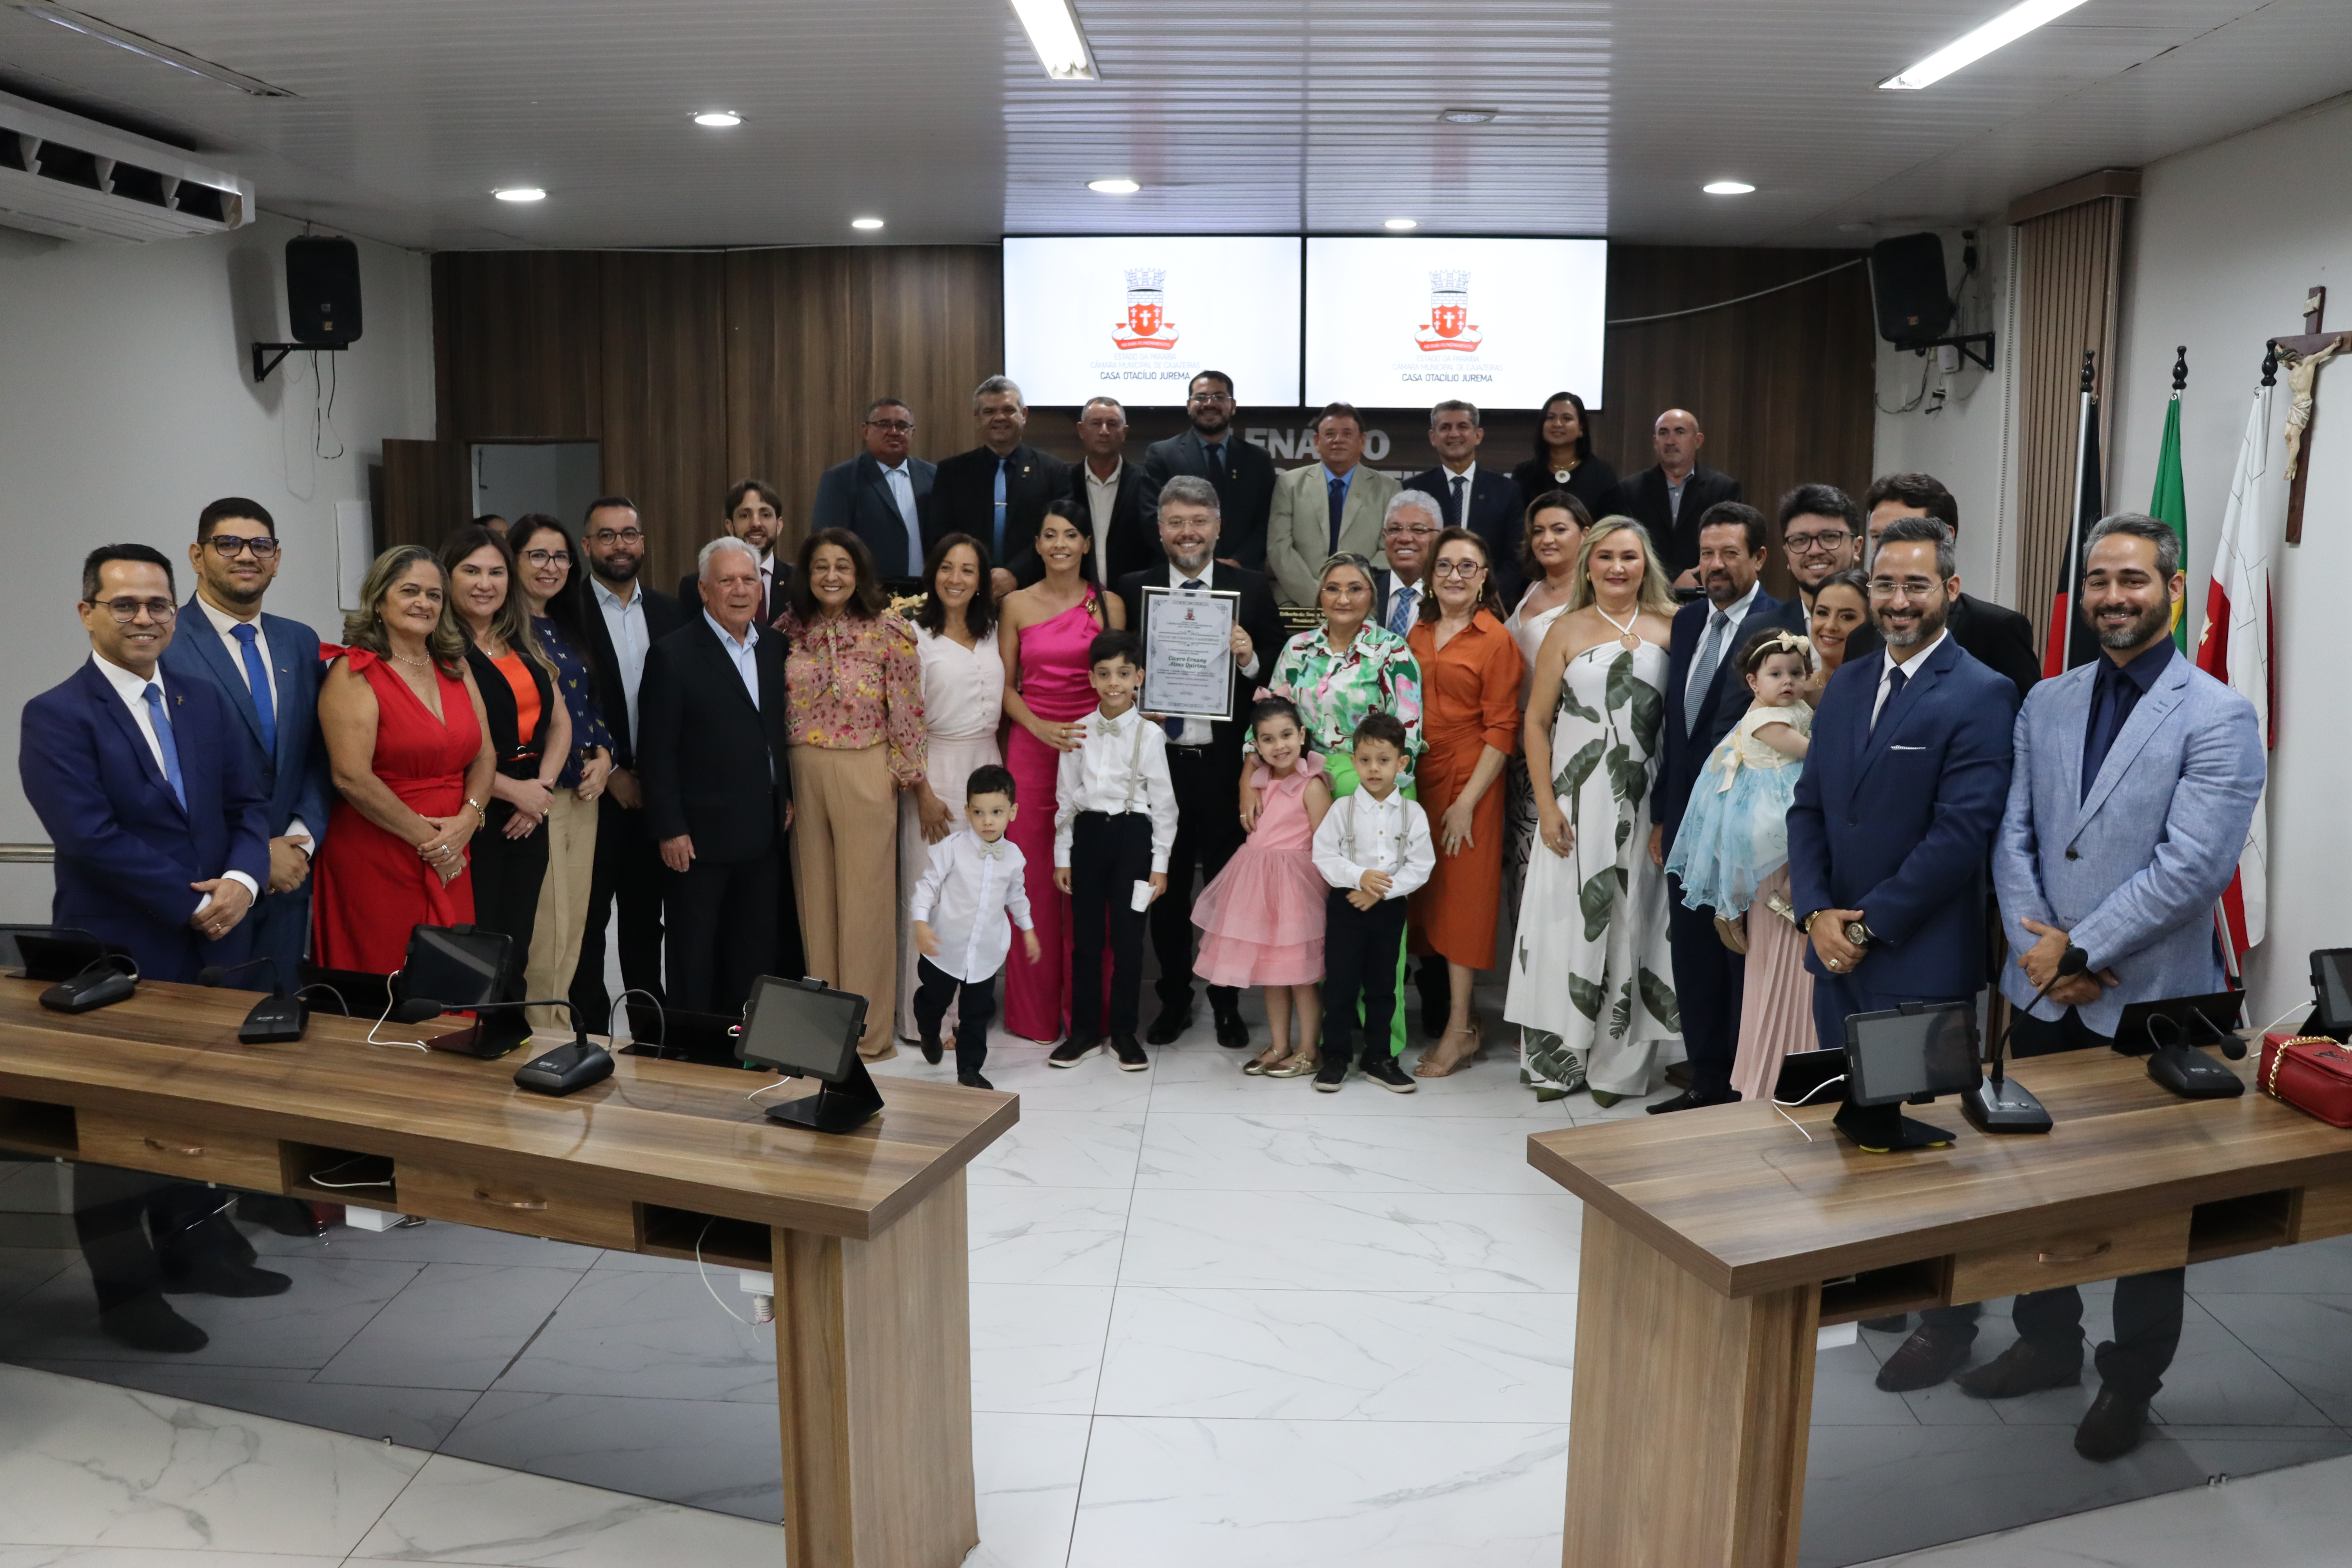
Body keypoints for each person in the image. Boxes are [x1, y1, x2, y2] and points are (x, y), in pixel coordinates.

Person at [1881, 514, 2261, 1462]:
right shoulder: (2045, 699)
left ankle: (2130, 1382)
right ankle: (2048, 1343)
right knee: (2032, 1182)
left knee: (2144, 1204)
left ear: (2170, 589)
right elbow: (2012, 834)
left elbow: (2193, 868)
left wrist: (2082, 942)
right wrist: (2040, 947)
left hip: (2153, 1001)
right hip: (2046, 993)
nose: (2112, 597)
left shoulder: (2218, 713)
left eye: (2132, 579)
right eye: (2097, 581)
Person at [22, 544, 283, 1353]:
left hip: (213, 946)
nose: (145, 618)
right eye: (126, 603)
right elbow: (88, 836)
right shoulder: (56, 714)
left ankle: (195, 1249)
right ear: (88, 612)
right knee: (114, 1133)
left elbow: (249, 801)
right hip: (120, 953)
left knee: (193, 1113)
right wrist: (188, 901)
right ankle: (125, 1293)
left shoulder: (203, 701)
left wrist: (241, 879)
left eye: (158, 604)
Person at [1787, 512, 2018, 1054]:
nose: (1897, 601)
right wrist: (1817, 914)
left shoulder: (1984, 692)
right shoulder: (1845, 681)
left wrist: (1864, 930)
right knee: (1846, 1125)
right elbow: (1809, 810)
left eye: (1916, 585)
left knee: (1920, 1133)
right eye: (1884, 584)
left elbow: (1960, 834)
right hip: (1833, 960)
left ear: (1951, 589)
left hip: (1921, 962)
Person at [1506, 519, 1681, 1105]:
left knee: (1635, 924)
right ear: (1588, 564)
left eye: (1629, 556)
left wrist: (1668, 813)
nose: (1616, 568)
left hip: (1645, 801)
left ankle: (1618, 1070)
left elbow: (1683, 727)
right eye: (1605, 556)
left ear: (1644, 563)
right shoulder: (1564, 630)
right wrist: (1548, 805)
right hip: (1577, 800)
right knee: (1568, 926)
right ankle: (1558, 1062)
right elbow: (1535, 722)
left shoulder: (1674, 626)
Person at [1113, 475, 1285, 1049]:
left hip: (1225, 771)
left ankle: (1227, 1001)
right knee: (1163, 889)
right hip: (1158, 768)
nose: (1188, 532)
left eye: (1199, 521)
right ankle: (1175, 1000)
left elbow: (1278, 676)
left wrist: (1249, 657)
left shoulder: (1253, 589)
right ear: (1161, 531)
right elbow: (1115, 676)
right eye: (1177, 523)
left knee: (1227, 888)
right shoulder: (1133, 590)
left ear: (1218, 527)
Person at [1648, 502, 1804, 1111]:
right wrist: (1667, 813)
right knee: (1692, 952)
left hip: (1752, 829)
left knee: (1741, 954)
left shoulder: (1781, 624)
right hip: (1691, 822)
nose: (1715, 565)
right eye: (1707, 553)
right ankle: (1707, 1080)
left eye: (1729, 554)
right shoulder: (1686, 623)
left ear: (1760, 558)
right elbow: (1675, 732)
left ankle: (1744, 1087)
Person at [158, 497, 327, 992]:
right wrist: (255, 856)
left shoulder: (300, 640)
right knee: (205, 1042)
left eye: (260, 545)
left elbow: (318, 754)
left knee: (281, 1034)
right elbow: (166, 768)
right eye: (228, 543)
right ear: (196, 555)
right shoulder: (166, 640)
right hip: (210, 883)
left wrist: (301, 839)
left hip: (291, 880)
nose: (246, 555)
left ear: (277, 558)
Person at [1264, 552, 1424, 1060]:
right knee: (1322, 914)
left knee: (1378, 913)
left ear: (1371, 596)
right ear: (1320, 596)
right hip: (1308, 786)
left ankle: (1382, 1041)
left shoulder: (1392, 649)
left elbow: (1411, 731)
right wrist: (1253, 771)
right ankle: (1331, 1039)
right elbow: (1272, 714)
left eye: (1355, 588)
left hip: (1376, 783)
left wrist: (1376, 787)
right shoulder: (1297, 648)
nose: (1344, 598)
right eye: (1333, 588)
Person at [775, 527, 924, 1058]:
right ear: (806, 575)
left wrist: (908, 777)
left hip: (867, 767)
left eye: (842, 566)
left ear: (859, 574)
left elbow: (908, 711)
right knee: (815, 902)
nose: (831, 576)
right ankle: (825, 1031)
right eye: (820, 567)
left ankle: (867, 1034)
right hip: (802, 771)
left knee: (865, 905)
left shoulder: (890, 630)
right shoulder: (788, 629)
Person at [313, 547, 494, 973]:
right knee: (387, 981)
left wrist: (469, 820)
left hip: (453, 848)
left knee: (450, 979)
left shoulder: (455, 665)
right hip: (380, 851)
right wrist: (435, 844)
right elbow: (351, 777)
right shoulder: (353, 672)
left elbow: (485, 753)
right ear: (379, 600)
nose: (424, 603)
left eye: (434, 595)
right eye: (409, 591)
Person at [1661, 630, 1819, 1103]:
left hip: (1779, 810)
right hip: (1769, 820)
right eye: (1776, 674)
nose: (1788, 682)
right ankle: (1730, 908)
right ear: (1754, 682)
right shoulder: (1767, 719)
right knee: (1772, 900)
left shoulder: (1790, 708)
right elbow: (1812, 753)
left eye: (1796, 673)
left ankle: (1733, 909)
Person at [639, 537, 794, 1018]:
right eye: (727, 580)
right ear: (705, 590)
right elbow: (656, 751)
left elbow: (774, 730)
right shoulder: (673, 655)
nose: (740, 590)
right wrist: (670, 827)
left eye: (749, 579)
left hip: (761, 831)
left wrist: (784, 796)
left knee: (753, 951)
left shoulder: (774, 647)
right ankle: (693, 1052)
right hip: (697, 839)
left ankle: (744, 1049)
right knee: (694, 955)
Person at [999, 501, 1125, 1042]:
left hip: (1094, 752)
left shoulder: (1109, 604)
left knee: (1089, 884)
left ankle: (1090, 1015)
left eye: (1070, 535)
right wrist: (1038, 726)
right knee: (1033, 884)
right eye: (1049, 535)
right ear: (1037, 544)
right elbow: (1004, 685)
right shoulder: (1016, 605)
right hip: (1031, 748)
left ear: (1087, 545)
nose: (1060, 545)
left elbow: (1122, 679)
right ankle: (1034, 1018)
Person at [1405, 528, 1524, 1077]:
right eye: (1445, 565)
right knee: (1428, 899)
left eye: (1467, 566)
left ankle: (1458, 1032)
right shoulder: (1418, 630)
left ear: (1483, 579)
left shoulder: (1496, 639)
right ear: (1431, 577)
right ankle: (1466, 1015)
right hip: (1419, 779)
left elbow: (1503, 729)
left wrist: (1466, 803)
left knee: (1463, 904)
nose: (1455, 575)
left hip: (1472, 781)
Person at [571, 496, 689, 1033]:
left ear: (643, 542)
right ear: (588, 545)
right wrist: (611, 768)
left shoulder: (673, 612)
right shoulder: (564, 613)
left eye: (629, 534)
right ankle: (589, 1033)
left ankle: (650, 1034)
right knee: (590, 923)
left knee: (647, 925)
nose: (620, 545)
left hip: (659, 796)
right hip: (593, 793)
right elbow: (564, 705)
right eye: (608, 535)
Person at [441, 525, 568, 1002]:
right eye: (471, 571)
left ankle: (507, 1037)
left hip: (532, 807)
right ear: (447, 577)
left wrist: (542, 789)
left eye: (496, 572)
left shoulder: (518, 639)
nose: (485, 583)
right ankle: (473, 1040)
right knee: (479, 943)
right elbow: (453, 748)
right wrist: (517, 794)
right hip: (476, 806)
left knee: (518, 943)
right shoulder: (441, 647)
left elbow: (560, 723)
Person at [896, 534, 1007, 1043]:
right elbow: (904, 720)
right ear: (932, 574)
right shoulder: (914, 634)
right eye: (947, 568)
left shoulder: (992, 631)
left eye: (968, 569)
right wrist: (922, 792)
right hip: (935, 771)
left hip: (986, 766)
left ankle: (968, 1011)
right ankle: (927, 1017)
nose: (956, 579)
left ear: (981, 580)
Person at [1048, 629, 1175, 1070]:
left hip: (1133, 838)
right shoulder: (1078, 731)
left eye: (1123, 673)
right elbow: (1065, 798)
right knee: (1085, 941)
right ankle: (1083, 1031)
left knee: (1127, 941)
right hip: (1088, 838)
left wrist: (1160, 865)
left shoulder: (1151, 736)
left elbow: (1164, 807)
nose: (1114, 683)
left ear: (1139, 676)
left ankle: (1124, 1032)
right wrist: (1063, 855)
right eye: (1104, 674)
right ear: (1091, 679)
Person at [508, 515, 615, 1032]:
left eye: (560, 557)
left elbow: (590, 707)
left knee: (575, 923)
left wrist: (605, 758)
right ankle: (540, 1035)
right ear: (513, 560)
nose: (551, 567)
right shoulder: (503, 631)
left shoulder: (568, 624)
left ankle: (557, 1026)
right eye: (537, 556)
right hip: (533, 795)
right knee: (546, 927)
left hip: (583, 793)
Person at [1195, 696, 1332, 1077]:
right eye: (1268, 739)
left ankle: (1309, 1050)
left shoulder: (1313, 784)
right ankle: (1279, 1044)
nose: (1280, 746)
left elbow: (1325, 844)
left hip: (1295, 888)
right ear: (1255, 744)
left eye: (1287, 735)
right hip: (1256, 885)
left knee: (1301, 976)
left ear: (1302, 735)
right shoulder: (1256, 780)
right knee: (1272, 971)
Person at [1311, 711, 1432, 1095]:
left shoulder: (1412, 814)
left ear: (1402, 763)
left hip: (1390, 910)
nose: (1374, 769)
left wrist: (1379, 890)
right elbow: (1324, 856)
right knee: (1342, 986)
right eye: (1365, 760)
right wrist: (1358, 877)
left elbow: (1421, 865)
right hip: (1345, 907)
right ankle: (1336, 1057)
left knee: (1384, 987)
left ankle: (1380, 1058)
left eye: (1383, 761)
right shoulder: (1340, 808)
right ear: (1353, 761)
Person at [1850, 472, 2039, 700]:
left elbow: (2023, 722)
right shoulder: (1860, 637)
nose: (1889, 547)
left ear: (1947, 537)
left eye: (1905, 532)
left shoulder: (1996, 629)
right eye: (1878, 537)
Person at [909, 762, 1041, 1090]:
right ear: (967, 812)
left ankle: (969, 1068)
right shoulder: (951, 849)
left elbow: (1017, 897)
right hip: (944, 948)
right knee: (934, 999)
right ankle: (928, 1028)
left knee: (977, 1013)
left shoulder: (1014, 857)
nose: (987, 821)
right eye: (979, 812)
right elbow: (926, 887)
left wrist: (1028, 930)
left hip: (985, 953)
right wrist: (921, 924)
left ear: (1012, 812)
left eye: (996, 811)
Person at [1501, 492, 1592, 935]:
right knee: (1521, 875)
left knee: (1556, 873)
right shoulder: (1533, 588)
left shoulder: (1592, 596)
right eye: (1538, 531)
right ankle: (1524, 994)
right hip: (1517, 753)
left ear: (1586, 534)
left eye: (1559, 529)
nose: (1547, 539)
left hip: (1562, 754)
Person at [933, 376, 1072, 598]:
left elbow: (1059, 536)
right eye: (989, 412)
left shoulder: (1054, 471)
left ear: (1024, 415)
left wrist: (1015, 573)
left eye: (1008, 410)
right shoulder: (952, 472)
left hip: (1036, 592)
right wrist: (976, 574)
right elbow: (940, 534)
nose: (999, 418)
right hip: (967, 591)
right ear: (977, 418)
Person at [1267, 403, 1401, 609]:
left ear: (1362, 441)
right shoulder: (1289, 484)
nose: (1338, 440)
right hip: (1297, 603)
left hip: (1363, 606)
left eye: (1347, 433)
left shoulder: (1389, 489)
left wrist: (1353, 593)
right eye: (1330, 434)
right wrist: (1317, 597)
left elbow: (1389, 551)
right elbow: (1279, 548)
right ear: (1317, 442)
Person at [1139, 369, 1278, 567]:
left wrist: (1238, 562)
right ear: (1189, 406)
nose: (1210, 404)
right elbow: (1152, 518)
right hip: (1180, 571)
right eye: (1201, 397)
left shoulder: (1258, 459)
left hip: (1241, 574)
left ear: (1233, 406)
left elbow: (1268, 523)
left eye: (1219, 397)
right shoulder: (1162, 454)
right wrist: (1193, 561)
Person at [1405, 400, 1526, 602]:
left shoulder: (1506, 490)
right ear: (1433, 437)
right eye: (1445, 428)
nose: (1454, 434)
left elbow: (1515, 559)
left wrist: (1486, 594)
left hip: (1489, 602)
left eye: (1463, 427)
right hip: (1426, 601)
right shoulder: (1414, 490)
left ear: (1478, 435)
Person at [1610, 407, 1741, 586]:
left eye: (1680, 432)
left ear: (1698, 440)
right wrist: (1673, 576)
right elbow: (1623, 544)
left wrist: (1696, 578)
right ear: (1656, 442)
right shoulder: (1630, 490)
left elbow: (1730, 543)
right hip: (1647, 589)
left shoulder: (1723, 489)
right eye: (1664, 433)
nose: (1671, 441)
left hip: (1705, 590)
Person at [813, 397, 938, 580]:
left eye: (902, 426)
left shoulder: (933, 477)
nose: (894, 432)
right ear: (866, 431)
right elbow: (827, 543)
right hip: (867, 595)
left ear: (913, 433)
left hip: (926, 593)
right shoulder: (840, 479)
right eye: (884, 424)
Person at [1071, 396, 1160, 586]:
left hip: (1131, 599)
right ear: (1082, 430)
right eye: (1096, 423)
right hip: (1074, 598)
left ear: (1124, 432)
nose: (1104, 431)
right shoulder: (1064, 481)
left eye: (1112, 424)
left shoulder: (1147, 481)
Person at [677, 479, 789, 621]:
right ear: (730, 527)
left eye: (765, 515)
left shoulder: (800, 582)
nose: (756, 523)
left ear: (779, 526)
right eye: (745, 515)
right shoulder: (696, 586)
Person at [1510, 391, 1619, 524]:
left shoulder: (1601, 473)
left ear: (1581, 429)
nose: (1557, 424)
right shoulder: (1524, 473)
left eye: (1567, 418)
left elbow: (1610, 524)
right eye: (1550, 418)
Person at [1778, 483, 1865, 615]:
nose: (1815, 551)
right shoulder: (1756, 629)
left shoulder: (1883, 627)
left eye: (1830, 537)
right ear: (1787, 553)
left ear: (1857, 547)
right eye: (1800, 540)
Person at [1370, 491, 1441, 637]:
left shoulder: (1450, 597)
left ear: (1439, 538)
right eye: (1395, 529)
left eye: (1418, 530)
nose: (1404, 538)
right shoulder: (1365, 591)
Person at [1798, 568, 1870, 707]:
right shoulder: (1793, 689)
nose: (1830, 626)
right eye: (1823, 613)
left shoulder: (1881, 693)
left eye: (1847, 617)